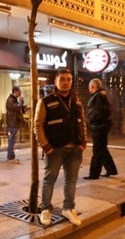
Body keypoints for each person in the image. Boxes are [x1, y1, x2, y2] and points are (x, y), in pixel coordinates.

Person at [34, 68, 87, 227]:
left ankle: (68, 208)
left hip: (75, 149)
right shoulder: (45, 101)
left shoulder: (76, 100)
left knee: (71, 180)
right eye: (62, 79)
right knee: (50, 180)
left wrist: (83, 142)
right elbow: (37, 125)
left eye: (69, 79)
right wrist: (46, 146)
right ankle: (45, 209)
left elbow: (82, 122)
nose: (66, 82)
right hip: (55, 148)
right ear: (55, 81)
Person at [83, 78, 117, 179]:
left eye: (89, 86)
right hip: (101, 126)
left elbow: (99, 112)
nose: (89, 88)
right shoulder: (101, 95)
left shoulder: (98, 96)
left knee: (97, 150)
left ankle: (94, 174)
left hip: (99, 127)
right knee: (102, 149)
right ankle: (111, 170)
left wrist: (90, 120)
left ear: (93, 86)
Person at [5, 86, 27, 164]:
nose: (20, 93)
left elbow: (18, 109)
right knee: (12, 140)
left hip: (14, 122)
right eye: (19, 91)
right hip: (12, 123)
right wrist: (20, 101)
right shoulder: (10, 100)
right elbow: (17, 108)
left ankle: (11, 156)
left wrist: (23, 107)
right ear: (15, 91)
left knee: (13, 140)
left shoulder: (13, 99)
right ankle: (10, 157)